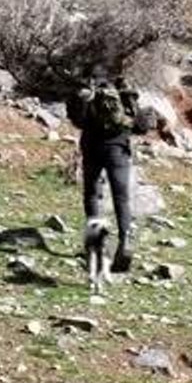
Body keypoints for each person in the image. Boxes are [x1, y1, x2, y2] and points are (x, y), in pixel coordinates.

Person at [66, 70, 150, 273]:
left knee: (93, 195)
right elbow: (141, 126)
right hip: (119, 148)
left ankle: (96, 245)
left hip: (92, 146)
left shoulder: (87, 88)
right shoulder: (123, 90)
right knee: (122, 198)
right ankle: (126, 241)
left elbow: (77, 121)